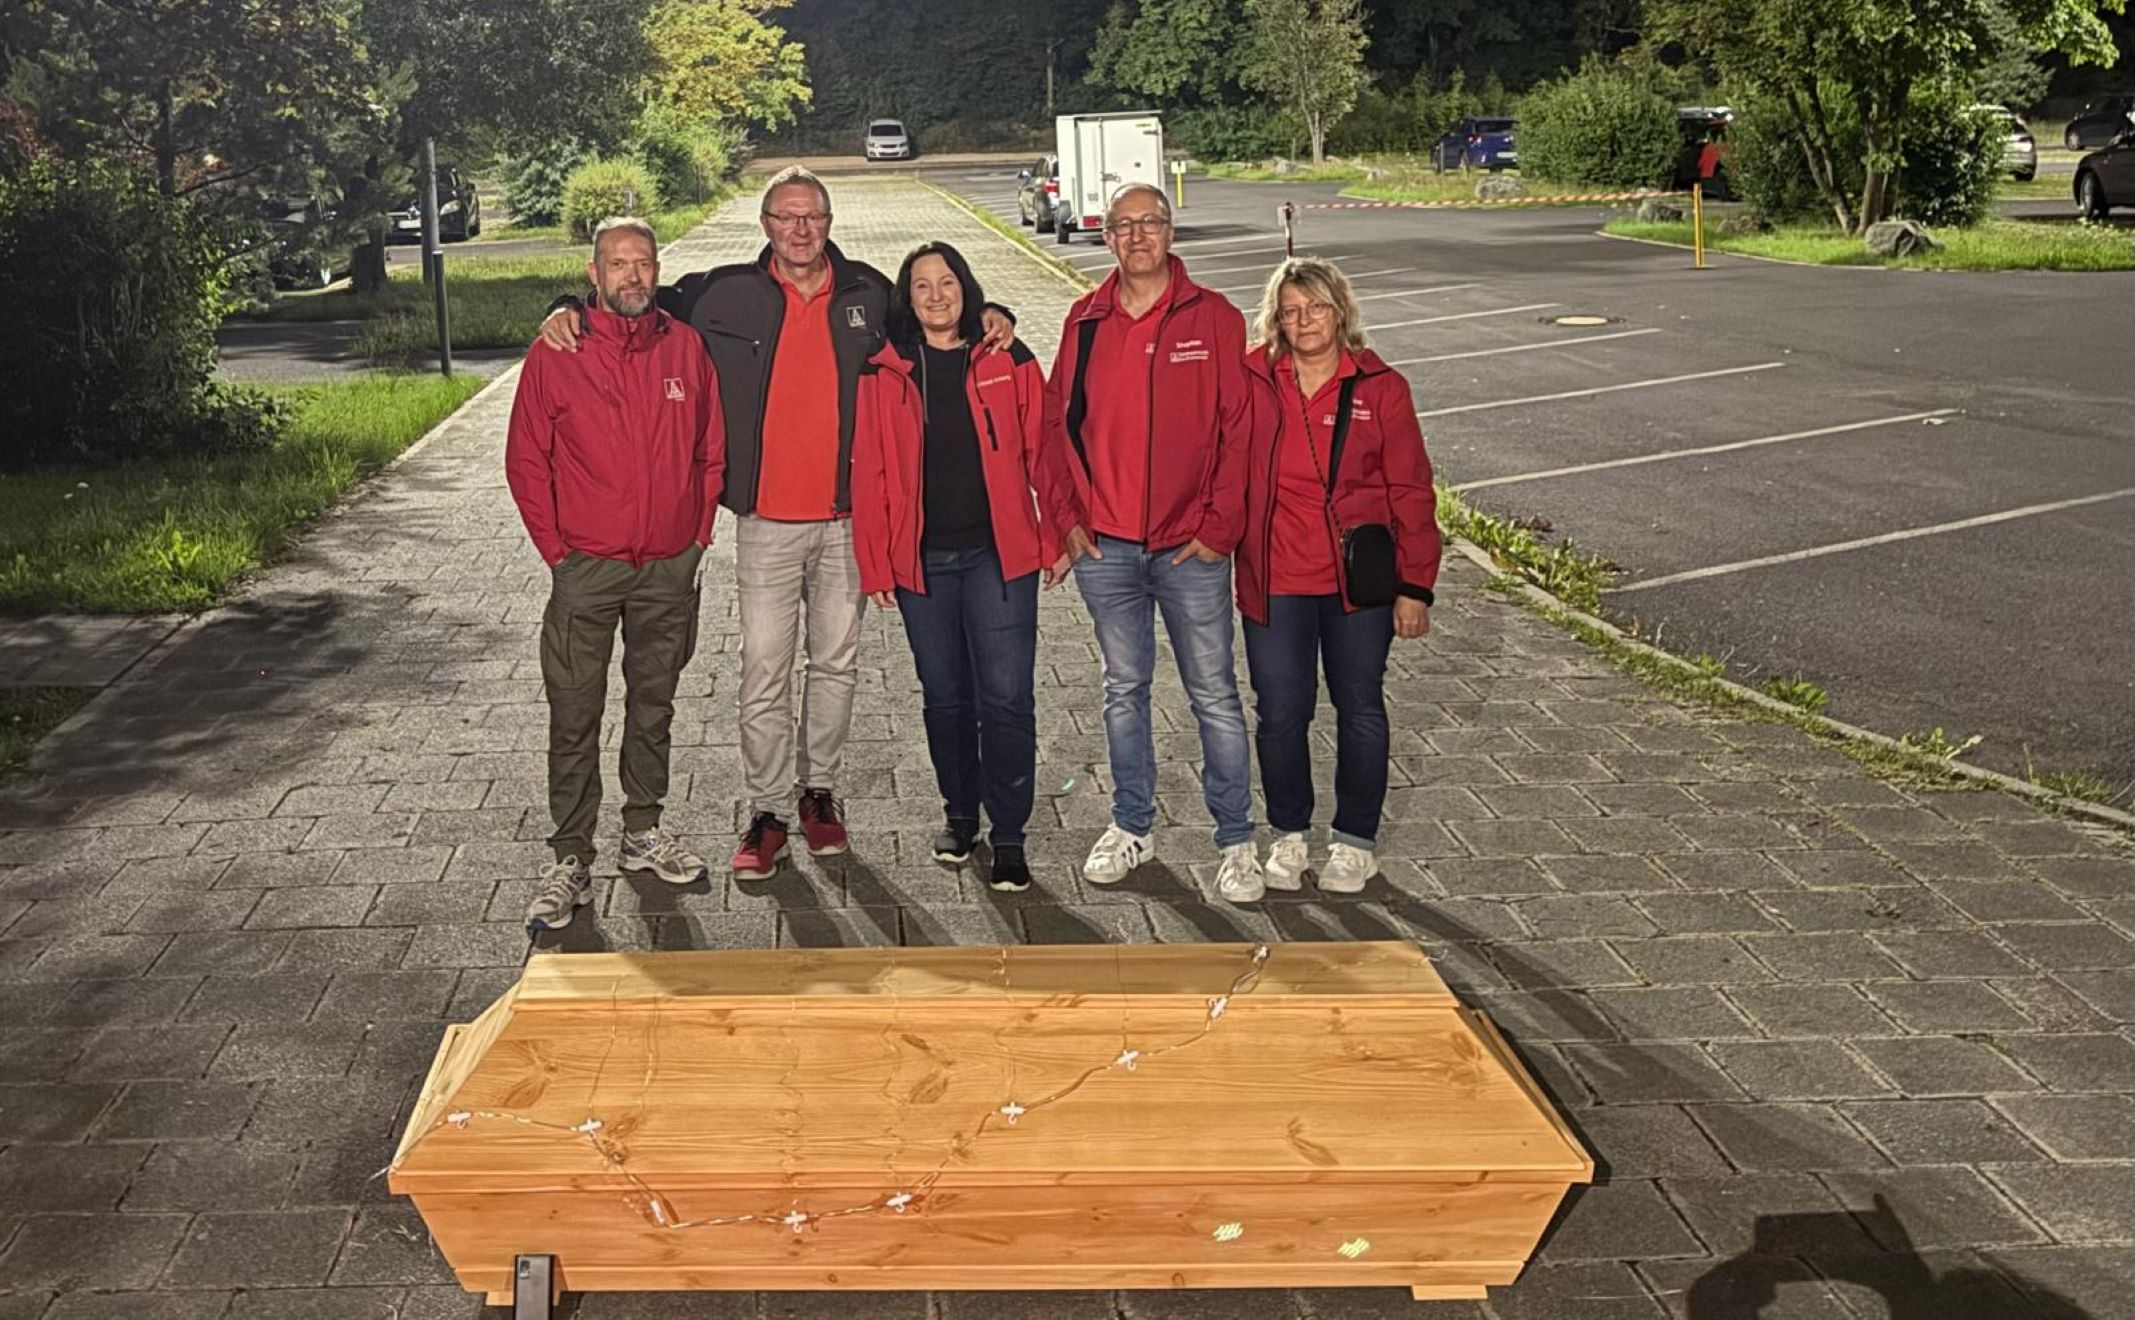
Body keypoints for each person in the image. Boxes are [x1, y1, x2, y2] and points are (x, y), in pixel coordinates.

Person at [536, 168, 1016, 881]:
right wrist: (564, 306)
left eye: (812, 216)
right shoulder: (721, 292)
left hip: (846, 521)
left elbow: (936, 318)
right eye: (786, 216)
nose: (800, 229)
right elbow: (633, 297)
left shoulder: (869, 294)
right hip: (764, 520)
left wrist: (995, 312)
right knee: (764, 670)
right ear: (765, 224)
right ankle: (766, 811)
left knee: (835, 666)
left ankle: (818, 793)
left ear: (829, 223)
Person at [1041, 183, 1263, 902]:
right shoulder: (1085, 319)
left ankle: (1236, 840)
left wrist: (1218, 528)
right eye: (1123, 226)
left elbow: (1238, 431)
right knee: (1123, 692)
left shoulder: (1214, 318)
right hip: (1105, 549)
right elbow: (1053, 426)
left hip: (1189, 550)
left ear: (1170, 232)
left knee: (1215, 696)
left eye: (1150, 224)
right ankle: (1131, 826)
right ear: (1105, 237)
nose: (1137, 236)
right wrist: (1067, 522)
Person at [506, 217, 725, 930]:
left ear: (658, 269)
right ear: (593, 274)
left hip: (667, 567)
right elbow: (526, 460)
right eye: (618, 264)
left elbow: (710, 450)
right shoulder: (557, 352)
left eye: (644, 263)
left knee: (653, 706)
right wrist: (558, 553)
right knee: (575, 713)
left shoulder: (684, 347)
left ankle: (643, 831)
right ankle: (571, 856)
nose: (633, 276)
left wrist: (695, 536)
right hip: (587, 569)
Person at [851, 243, 1061, 893]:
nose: (936, 295)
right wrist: (875, 564)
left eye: (947, 282)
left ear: (966, 289)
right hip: (925, 565)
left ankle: (1009, 833)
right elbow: (869, 473)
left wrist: (1054, 534)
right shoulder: (883, 372)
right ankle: (961, 814)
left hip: (1000, 557)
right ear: (907, 299)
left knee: (1006, 698)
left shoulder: (1007, 358)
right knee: (945, 697)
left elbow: (1044, 450)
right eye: (922, 286)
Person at [1237, 258, 1440, 894]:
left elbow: (1412, 490)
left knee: (1360, 706)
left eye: (1316, 308)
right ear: (1276, 319)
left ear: (1340, 311)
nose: (1305, 322)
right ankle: (1289, 834)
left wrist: (1415, 586)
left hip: (1360, 584)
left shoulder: (1382, 387)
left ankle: (1355, 842)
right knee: (1280, 712)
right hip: (1275, 578)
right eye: (1291, 311)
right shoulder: (1252, 379)